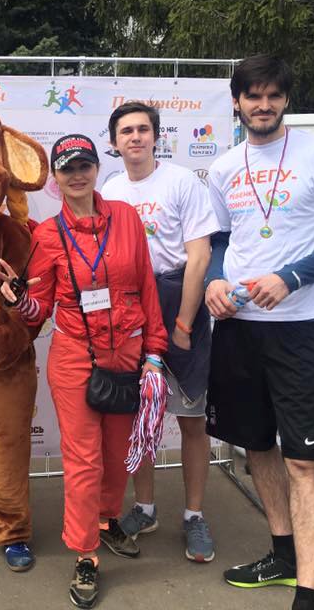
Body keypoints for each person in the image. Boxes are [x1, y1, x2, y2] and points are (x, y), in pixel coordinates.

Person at [203, 55, 314, 610]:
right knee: (256, 447)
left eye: (273, 95)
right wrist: (215, 281)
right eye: (253, 96)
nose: (263, 105)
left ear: (286, 99)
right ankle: (282, 554)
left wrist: (290, 278)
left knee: (302, 460)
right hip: (239, 328)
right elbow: (221, 240)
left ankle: (307, 594)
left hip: (298, 330)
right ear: (237, 102)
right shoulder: (224, 167)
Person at [0, 133, 168, 609]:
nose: (77, 175)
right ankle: (85, 552)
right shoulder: (48, 235)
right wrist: (18, 302)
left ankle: (106, 519)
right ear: (55, 177)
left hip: (127, 354)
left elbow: (146, 287)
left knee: (117, 454)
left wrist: (154, 352)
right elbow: (39, 309)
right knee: (84, 459)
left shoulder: (127, 218)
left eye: (84, 165)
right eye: (67, 167)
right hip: (75, 358)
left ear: (96, 168)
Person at [101, 101, 220, 563]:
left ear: (156, 136)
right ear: (115, 142)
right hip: (132, 308)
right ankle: (145, 508)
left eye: (143, 129)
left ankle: (194, 515)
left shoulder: (182, 181)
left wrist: (184, 323)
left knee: (191, 418)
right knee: (139, 420)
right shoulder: (111, 189)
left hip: (178, 299)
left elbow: (200, 256)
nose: (135, 137)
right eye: (126, 131)